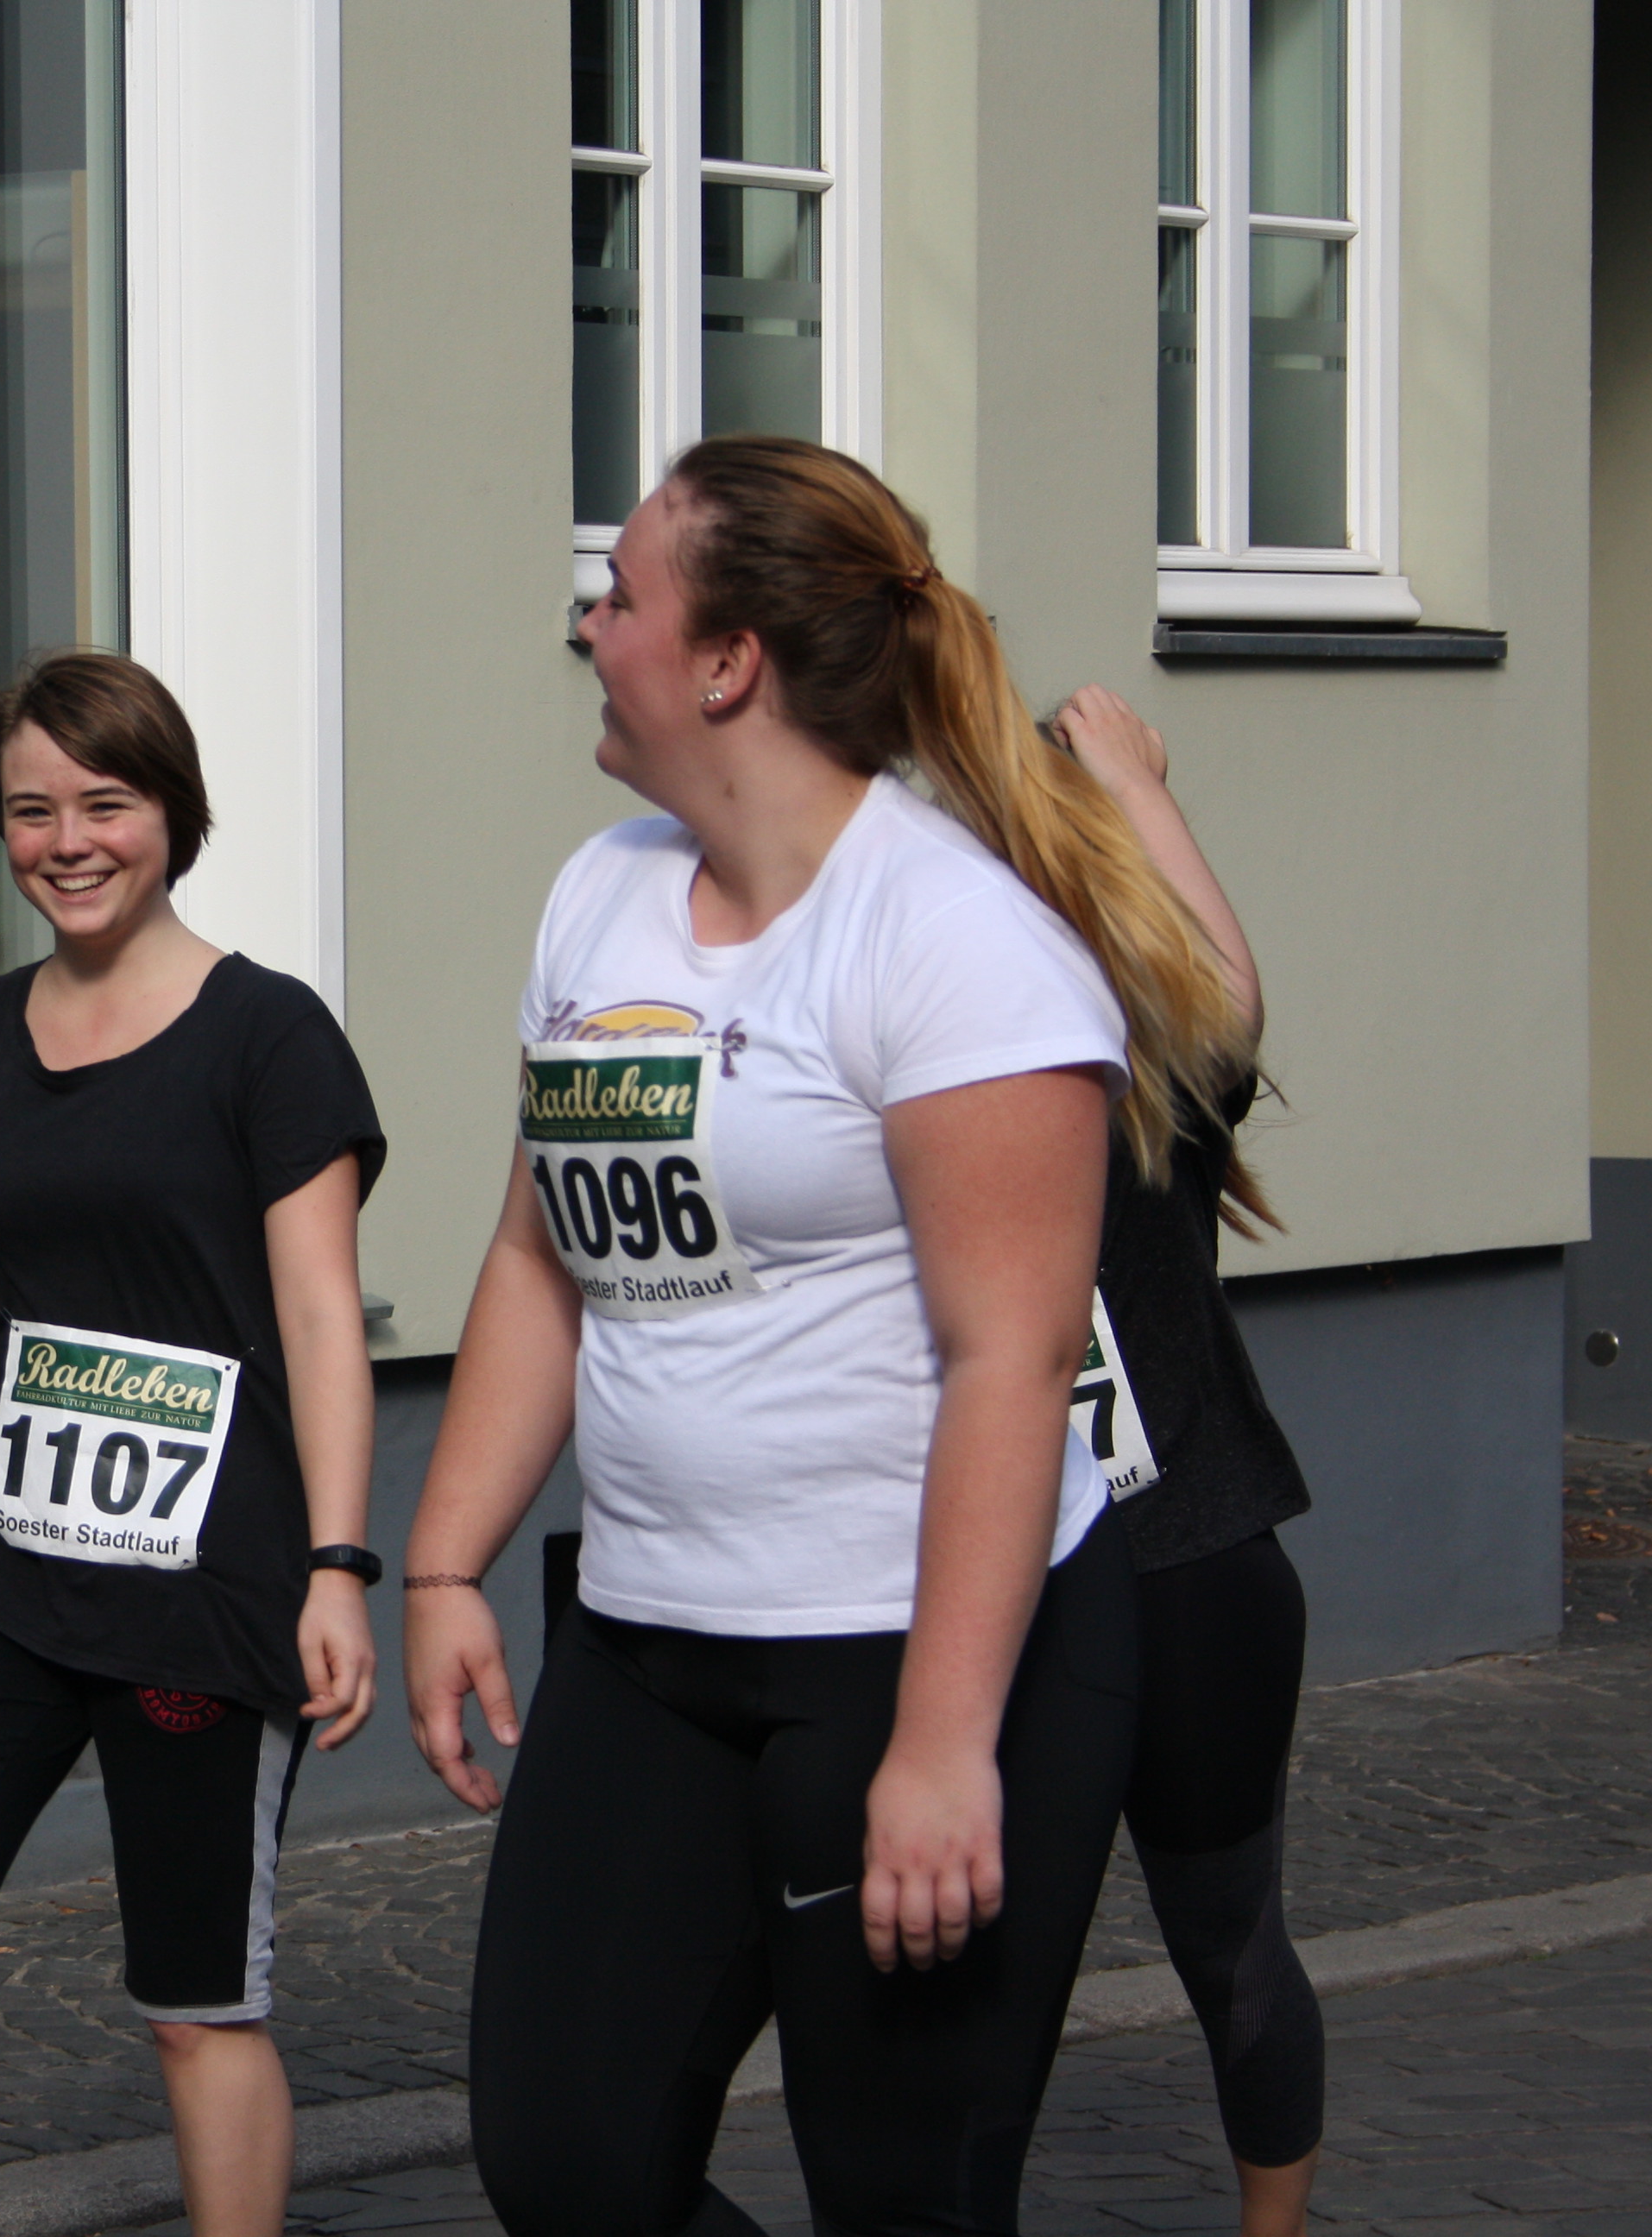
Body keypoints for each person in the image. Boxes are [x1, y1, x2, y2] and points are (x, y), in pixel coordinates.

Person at [402, 436, 1259, 2237]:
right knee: (567, 2172)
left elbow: (1010, 1361)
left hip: (922, 1662)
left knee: (901, 2195)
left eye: (622, 594)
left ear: (729, 663)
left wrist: (943, 1747)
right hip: (649, 1646)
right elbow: (541, 1255)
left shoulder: (957, 940)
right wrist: (446, 1561)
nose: (589, 623)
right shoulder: (598, 896)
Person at [0, 651, 387, 2237]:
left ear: (171, 815)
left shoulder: (269, 1037)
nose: (68, 842)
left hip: (201, 1590)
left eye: (105, 803)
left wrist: (338, 1565)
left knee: (196, 2004)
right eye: (31, 811)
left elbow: (323, 1321)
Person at [1050, 684, 1323, 2237]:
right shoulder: (934, 1052)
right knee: (970, 1971)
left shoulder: (1145, 1073)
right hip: (1006, 1588)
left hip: (1188, 1571)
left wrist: (1133, 781)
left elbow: (1228, 997)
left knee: (1232, 1950)